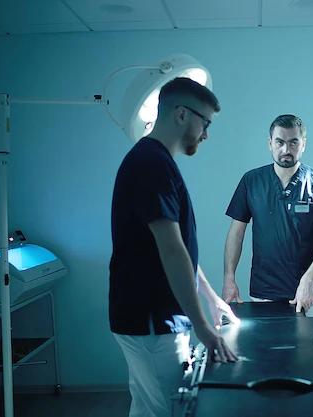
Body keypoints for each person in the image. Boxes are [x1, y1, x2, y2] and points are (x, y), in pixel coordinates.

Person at [109, 77, 239, 417]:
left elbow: (178, 246)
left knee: (147, 407)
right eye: (205, 123)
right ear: (181, 114)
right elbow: (171, 250)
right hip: (153, 320)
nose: (206, 134)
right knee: (168, 410)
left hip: (150, 319)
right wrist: (203, 327)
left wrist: (211, 299)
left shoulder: (156, 161)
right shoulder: (151, 164)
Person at [222, 114, 313, 318]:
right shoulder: (251, 181)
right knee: (266, 340)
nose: (286, 150)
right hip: (265, 291)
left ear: (303, 144)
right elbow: (236, 234)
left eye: (293, 142)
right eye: (279, 142)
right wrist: (229, 278)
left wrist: (308, 281)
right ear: (270, 143)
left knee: (310, 340)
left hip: (310, 292)